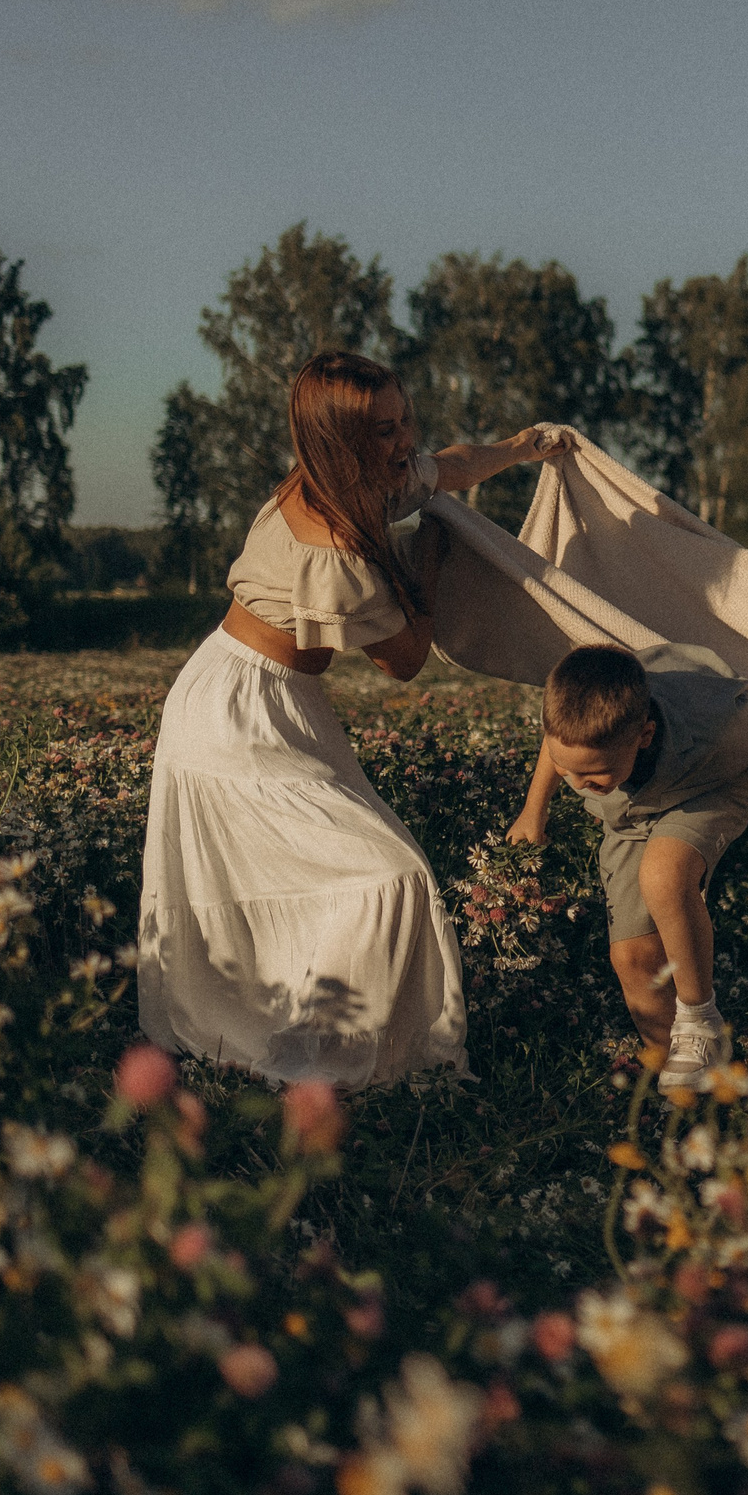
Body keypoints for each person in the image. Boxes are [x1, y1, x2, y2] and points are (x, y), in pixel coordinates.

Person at [139, 350, 570, 1086]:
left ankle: (313, 1036)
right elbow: (403, 657)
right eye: (382, 431)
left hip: (275, 702)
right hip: (236, 714)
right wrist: (433, 549)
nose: (403, 441)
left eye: (404, 419)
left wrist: (522, 448)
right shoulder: (336, 544)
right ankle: (336, 1054)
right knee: (388, 874)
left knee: (324, 871)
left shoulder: (365, 482)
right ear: (337, 438)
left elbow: (447, 466)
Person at [507, 643, 748, 1091]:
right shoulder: (582, 732)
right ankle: (686, 1081)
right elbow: (561, 748)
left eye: (593, 776)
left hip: (709, 787)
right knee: (632, 957)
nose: (579, 784)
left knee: (663, 875)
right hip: (630, 814)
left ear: (643, 735)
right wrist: (534, 810)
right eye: (569, 772)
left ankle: (700, 1021)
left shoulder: (716, 723)